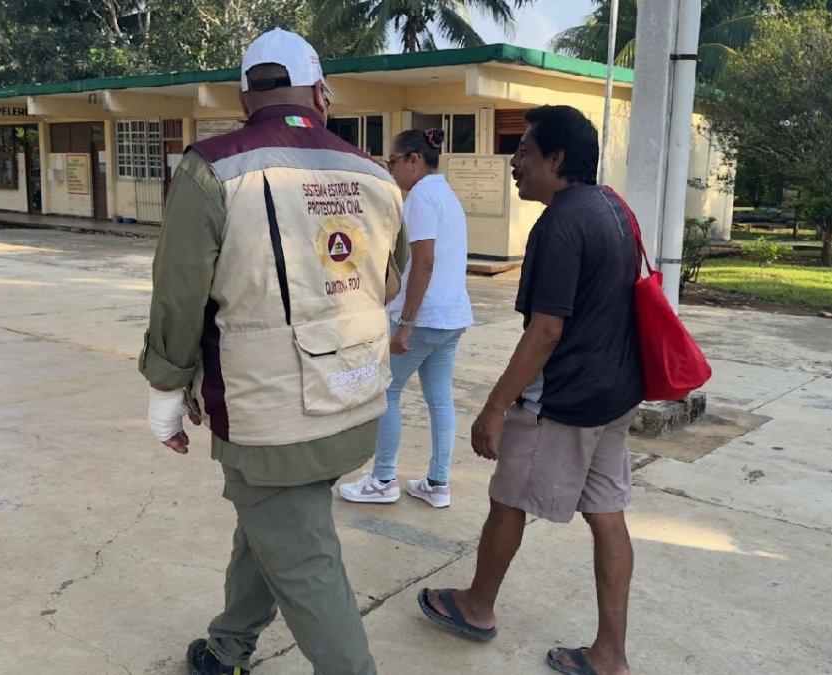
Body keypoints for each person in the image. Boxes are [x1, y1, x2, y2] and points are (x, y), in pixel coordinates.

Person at [139, 28, 407, 675]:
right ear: (321, 93)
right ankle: (229, 645)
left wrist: (164, 393)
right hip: (352, 395)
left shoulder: (212, 166)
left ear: (241, 97)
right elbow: (389, 279)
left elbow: (180, 293)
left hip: (268, 414)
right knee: (270, 524)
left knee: (308, 562)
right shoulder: (371, 171)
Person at [416, 106, 643, 675]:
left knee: (507, 499)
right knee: (609, 515)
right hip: (614, 395)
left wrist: (494, 408)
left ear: (557, 159)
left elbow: (545, 331)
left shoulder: (560, 223)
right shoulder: (614, 207)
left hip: (562, 402)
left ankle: (477, 606)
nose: (515, 164)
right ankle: (610, 655)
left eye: (524, 151)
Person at [338, 128, 474, 508]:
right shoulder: (446, 195)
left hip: (425, 316)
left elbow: (424, 264)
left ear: (415, 160)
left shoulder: (421, 198)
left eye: (393, 161)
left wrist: (408, 322)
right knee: (440, 399)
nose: (391, 169)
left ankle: (383, 479)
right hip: (452, 316)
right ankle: (437, 483)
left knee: (386, 392)